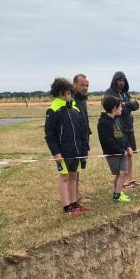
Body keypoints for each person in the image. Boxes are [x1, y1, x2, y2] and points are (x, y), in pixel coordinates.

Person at [44, 77, 90, 216]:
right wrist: (56, 153)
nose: (68, 96)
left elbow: (82, 130)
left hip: (76, 151)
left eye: (69, 93)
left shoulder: (74, 108)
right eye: (65, 93)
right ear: (59, 93)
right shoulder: (53, 110)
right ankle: (67, 207)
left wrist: (84, 149)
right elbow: (49, 135)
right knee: (64, 177)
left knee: (74, 176)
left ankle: (74, 203)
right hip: (63, 153)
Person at [104, 71, 140, 186]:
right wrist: (128, 105)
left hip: (129, 127)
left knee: (130, 154)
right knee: (122, 154)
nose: (121, 82)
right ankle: (122, 180)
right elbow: (119, 111)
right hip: (118, 127)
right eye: (119, 80)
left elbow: (136, 105)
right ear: (115, 81)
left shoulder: (125, 93)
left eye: (123, 80)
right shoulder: (109, 93)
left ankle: (129, 178)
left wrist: (126, 104)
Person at [97, 96, 133, 202]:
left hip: (122, 152)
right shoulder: (103, 123)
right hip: (112, 153)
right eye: (120, 107)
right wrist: (121, 151)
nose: (121, 109)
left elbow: (123, 135)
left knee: (124, 173)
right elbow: (106, 141)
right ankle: (117, 195)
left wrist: (127, 146)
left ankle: (118, 193)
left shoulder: (118, 120)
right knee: (119, 173)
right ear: (114, 108)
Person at [72, 74, 91, 205]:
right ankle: (74, 197)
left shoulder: (83, 99)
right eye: (82, 85)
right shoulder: (71, 100)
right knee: (72, 170)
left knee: (78, 168)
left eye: (87, 85)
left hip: (83, 139)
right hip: (74, 141)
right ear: (74, 85)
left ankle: (76, 194)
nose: (85, 88)